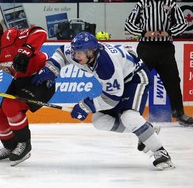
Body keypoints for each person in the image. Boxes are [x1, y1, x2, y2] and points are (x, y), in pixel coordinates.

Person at [32, 31, 175, 170]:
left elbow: (112, 98)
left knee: (129, 116)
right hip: (120, 81)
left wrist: (87, 106)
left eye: (80, 53)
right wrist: (51, 68)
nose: (75, 56)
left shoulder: (106, 65)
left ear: (91, 52)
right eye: (75, 52)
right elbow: (62, 53)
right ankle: (144, 129)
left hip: (136, 78)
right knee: (99, 121)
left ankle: (161, 152)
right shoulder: (80, 52)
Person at [0, 19, 55, 166]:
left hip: (41, 78)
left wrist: (26, 51)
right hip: (20, 80)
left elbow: (40, 32)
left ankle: (24, 144)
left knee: (10, 106)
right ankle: (10, 147)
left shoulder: (11, 38)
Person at [125, 0, 193, 126]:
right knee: (137, 81)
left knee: (173, 82)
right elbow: (128, 25)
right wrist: (143, 32)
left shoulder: (171, 3)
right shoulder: (142, 4)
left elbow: (182, 24)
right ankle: (129, 114)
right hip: (146, 48)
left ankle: (179, 114)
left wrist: (169, 32)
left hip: (165, 49)